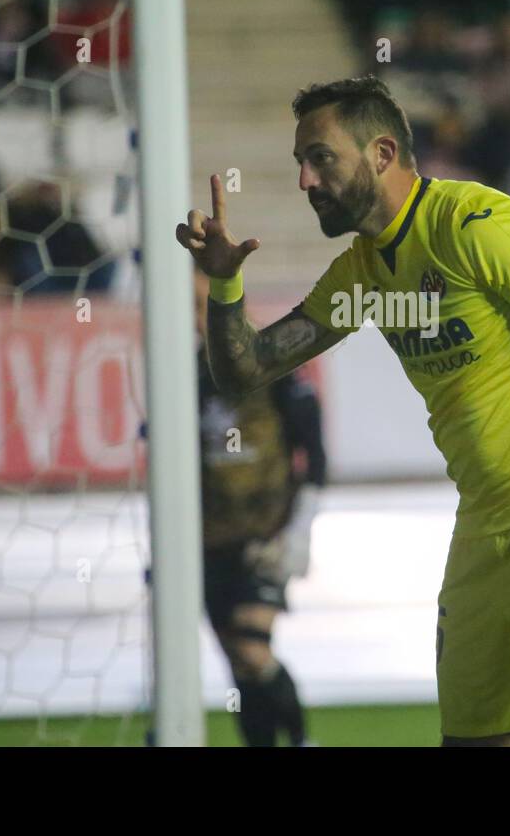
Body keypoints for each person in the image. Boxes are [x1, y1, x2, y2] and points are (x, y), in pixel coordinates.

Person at [176, 75, 510, 747]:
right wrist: (225, 283)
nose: (306, 180)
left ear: (382, 152)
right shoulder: (363, 273)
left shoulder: (475, 225)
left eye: (321, 158)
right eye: (299, 164)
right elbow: (244, 368)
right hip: (483, 524)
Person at [192, 270, 325, 747]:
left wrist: (301, 528)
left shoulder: (273, 359)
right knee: (237, 662)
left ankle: (303, 739)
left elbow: (314, 447)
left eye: (200, 298)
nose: (193, 311)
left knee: (252, 650)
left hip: (265, 529)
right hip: (209, 536)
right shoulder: (189, 371)